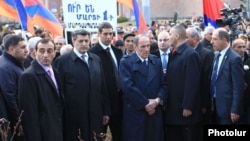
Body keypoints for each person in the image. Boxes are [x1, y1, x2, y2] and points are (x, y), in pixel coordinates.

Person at [54, 29, 110, 141]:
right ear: (73, 41)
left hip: (95, 114)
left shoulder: (95, 59)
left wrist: (105, 111)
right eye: (80, 41)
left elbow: (103, 87)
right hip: (74, 117)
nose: (84, 44)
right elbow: (59, 91)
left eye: (86, 41)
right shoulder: (62, 61)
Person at [119, 35, 166, 141]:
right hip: (136, 112)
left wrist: (157, 101)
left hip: (154, 112)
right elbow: (128, 87)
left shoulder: (156, 61)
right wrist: (145, 103)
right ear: (135, 47)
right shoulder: (126, 62)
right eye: (142, 46)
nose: (146, 49)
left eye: (148, 46)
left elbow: (163, 84)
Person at [18, 38, 65, 141]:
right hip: (43, 133)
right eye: (42, 51)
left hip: (57, 130)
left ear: (54, 52)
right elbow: (29, 114)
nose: (45, 55)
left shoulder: (55, 72)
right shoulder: (28, 76)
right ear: (35, 53)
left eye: (49, 51)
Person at [164, 25, 202, 141]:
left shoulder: (190, 54)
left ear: (176, 36)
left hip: (184, 111)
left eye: (170, 34)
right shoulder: (174, 53)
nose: (168, 37)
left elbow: (192, 82)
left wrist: (188, 106)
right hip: (173, 109)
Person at [89, 22, 123, 141]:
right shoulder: (92, 53)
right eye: (105, 34)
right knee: (100, 136)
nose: (109, 37)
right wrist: (104, 109)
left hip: (119, 102)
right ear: (99, 34)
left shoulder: (117, 51)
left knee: (120, 135)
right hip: (103, 103)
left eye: (111, 34)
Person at [210, 28, 245, 124]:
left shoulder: (234, 59)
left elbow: (238, 86)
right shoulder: (216, 55)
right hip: (215, 104)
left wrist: (235, 109)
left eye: (215, 39)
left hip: (228, 108)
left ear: (224, 40)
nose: (212, 42)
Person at [0, 35, 28, 140]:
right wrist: (18, 122)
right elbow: (10, 97)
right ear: (11, 49)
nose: (26, 50)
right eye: (22, 47)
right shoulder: (5, 67)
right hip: (13, 124)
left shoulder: (14, 63)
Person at [186, 27, 214, 124]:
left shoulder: (207, 54)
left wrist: (203, 104)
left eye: (186, 37)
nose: (183, 40)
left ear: (194, 39)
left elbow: (206, 81)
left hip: (200, 102)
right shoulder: (186, 53)